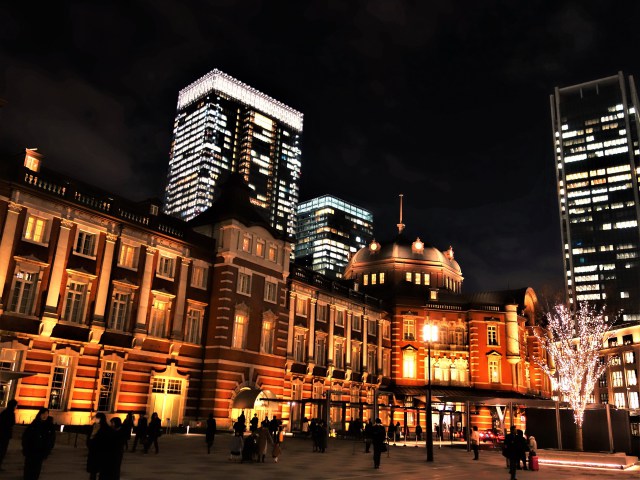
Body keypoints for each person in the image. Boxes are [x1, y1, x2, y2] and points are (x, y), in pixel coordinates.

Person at [22, 408, 51, 480]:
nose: (45, 416)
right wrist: (26, 448)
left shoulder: (48, 426)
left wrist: (47, 450)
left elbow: (49, 439)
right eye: (43, 414)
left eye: (46, 414)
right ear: (40, 414)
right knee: (29, 469)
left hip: (40, 452)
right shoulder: (34, 424)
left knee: (36, 470)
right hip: (31, 451)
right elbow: (26, 437)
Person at [86, 412, 113, 480]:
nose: (94, 419)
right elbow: (89, 437)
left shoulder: (105, 428)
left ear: (100, 419)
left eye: (96, 418)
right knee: (93, 471)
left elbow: (106, 441)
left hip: (101, 452)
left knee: (101, 472)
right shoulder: (94, 426)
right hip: (93, 452)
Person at [0, 399, 18, 471]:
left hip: (2, 434)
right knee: (2, 451)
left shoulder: (4, 412)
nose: (16, 407)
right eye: (16, 405)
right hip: (5, 435)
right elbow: (12, 423)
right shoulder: (11, 413)